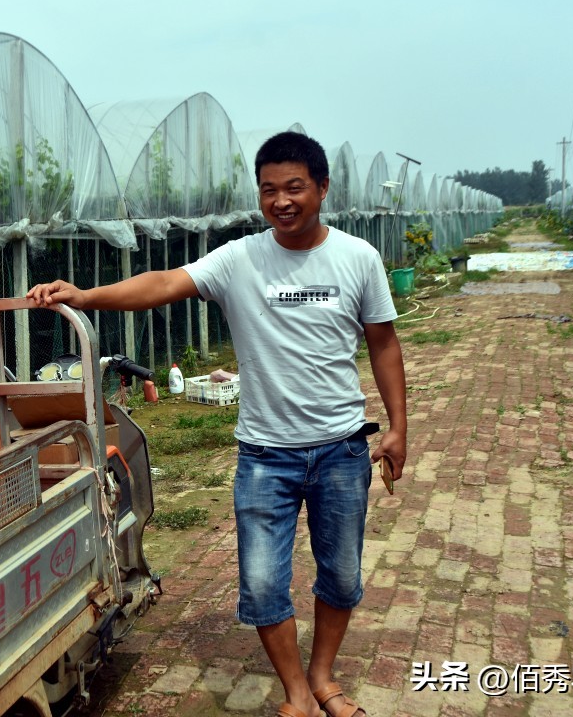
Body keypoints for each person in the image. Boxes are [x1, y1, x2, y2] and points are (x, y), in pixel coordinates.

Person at [27, 131, 406, 717]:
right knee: (260, 584)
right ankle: (297, 693)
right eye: (269, 190)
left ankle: (324, 676)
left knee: (341, 574)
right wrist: (87, 294)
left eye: (295, 188)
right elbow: (161, 284)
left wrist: (398, 427)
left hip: (341, 450)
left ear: (323, 188)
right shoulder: (240, 258)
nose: (281, 201)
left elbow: (384, 344)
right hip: (265, 456)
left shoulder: (358, 258)